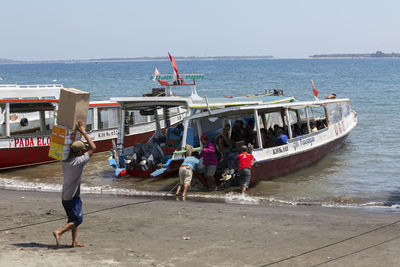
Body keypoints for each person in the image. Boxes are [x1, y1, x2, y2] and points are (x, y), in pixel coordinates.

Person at [53, 120, 96, 248]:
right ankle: (59, 232)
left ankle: (74, 241)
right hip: (70, 197)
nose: (84, 152)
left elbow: (71, 146)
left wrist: (76, 132)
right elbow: (93, 147)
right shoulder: (79, 162)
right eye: (82, 151)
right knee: (77, 219)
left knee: (72, 219)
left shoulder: (65, 160)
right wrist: (83, 131)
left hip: (68, 195)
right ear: (78, 153)